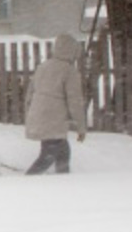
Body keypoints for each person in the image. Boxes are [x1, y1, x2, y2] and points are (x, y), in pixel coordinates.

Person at [23, 32, 87, 174]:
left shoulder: (43, 67)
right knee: (48, 156)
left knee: (63, 151)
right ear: (73, 52)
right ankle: (27, 181)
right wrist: (81, 127)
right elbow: (75, 101)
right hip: (53, 119)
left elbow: (29, 95)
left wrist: (30, 114)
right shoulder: (69, 71)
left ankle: (63, 180)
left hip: (39, 115)